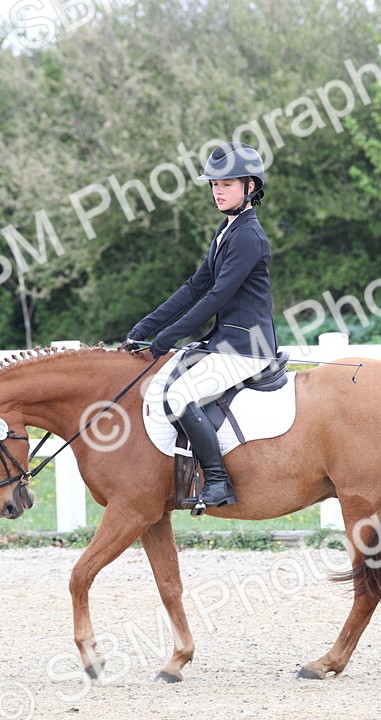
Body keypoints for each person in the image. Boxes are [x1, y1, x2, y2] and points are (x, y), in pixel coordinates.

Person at [122, 141, 278, 510]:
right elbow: (195, 286)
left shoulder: (248, 236)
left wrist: (166, 338)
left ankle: (219, 481)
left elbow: (217, 297)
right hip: (225, 342)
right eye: (214, 185)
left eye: (227, 184)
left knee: (179, 395)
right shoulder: (227, 231)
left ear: (250, 187)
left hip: (247, 347)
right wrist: (143, 328)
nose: (218, 191)